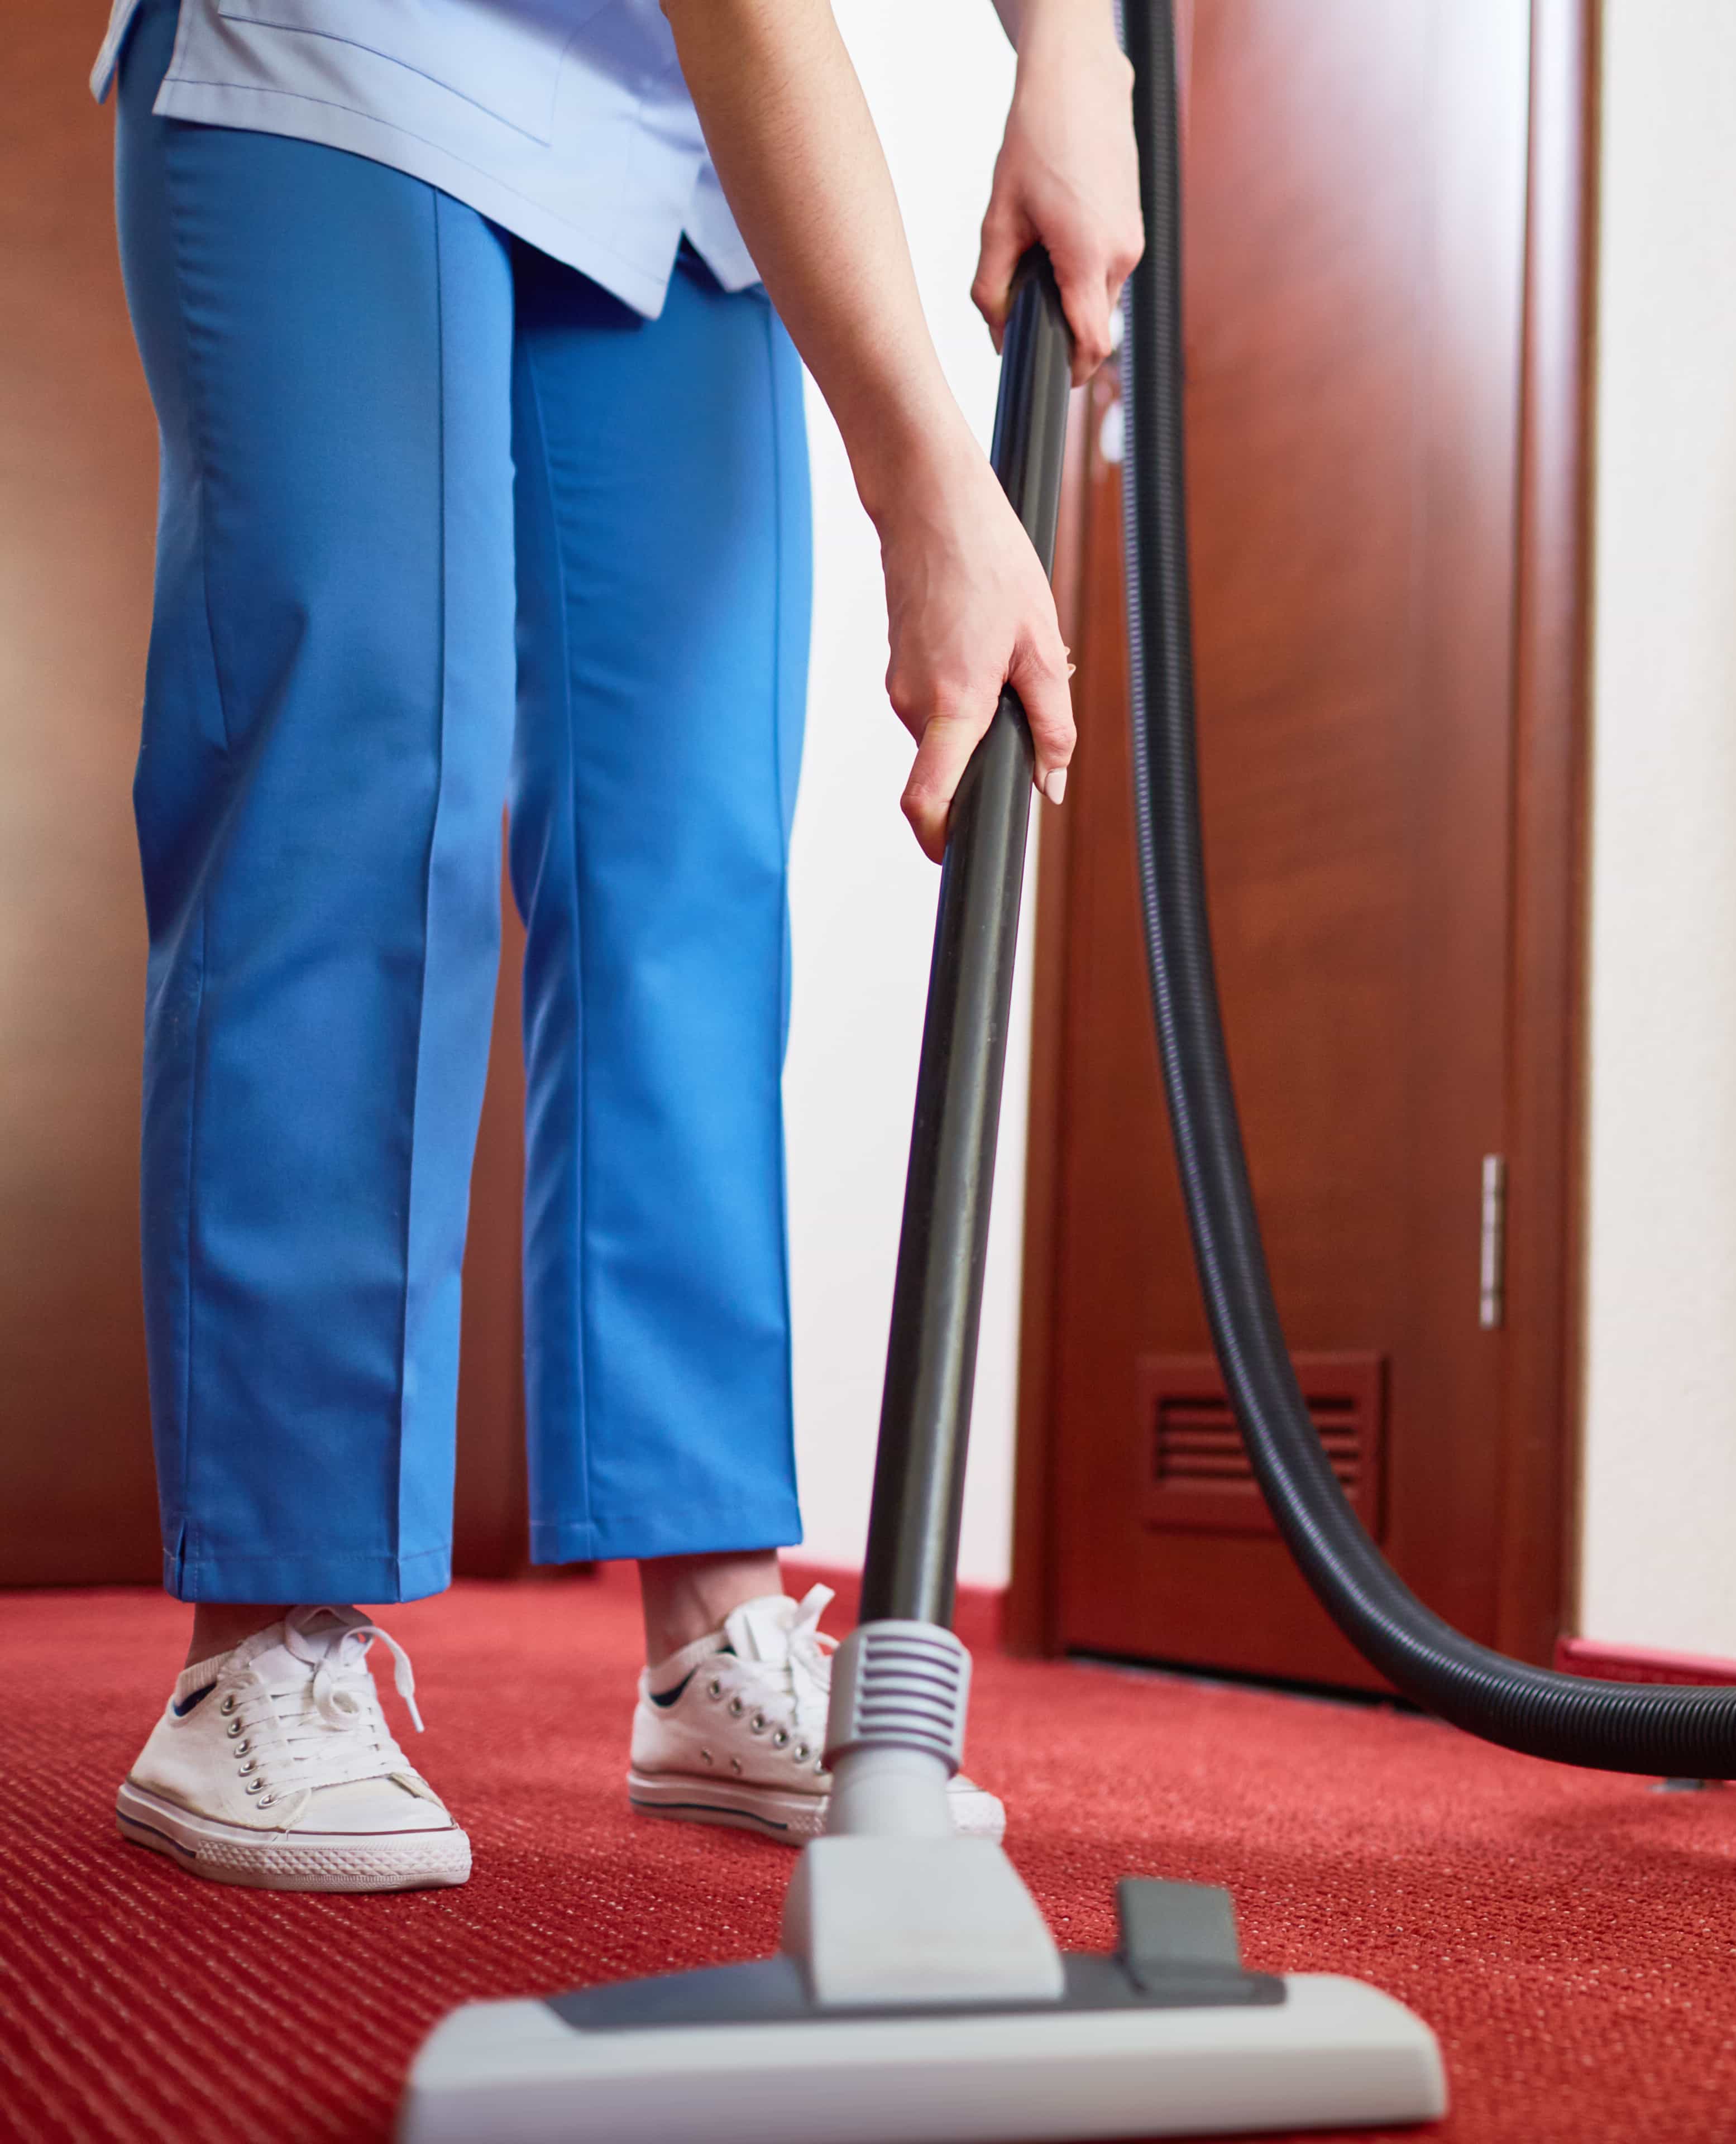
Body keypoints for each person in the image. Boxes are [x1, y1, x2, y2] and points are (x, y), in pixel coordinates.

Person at [91, 0, 1137, 1892]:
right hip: (343, 55)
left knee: (687, 853)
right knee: (364, 781)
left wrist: (1076, 57)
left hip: (669, 152)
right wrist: (923, 473)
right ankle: (269, 1630)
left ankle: (712, 1619)